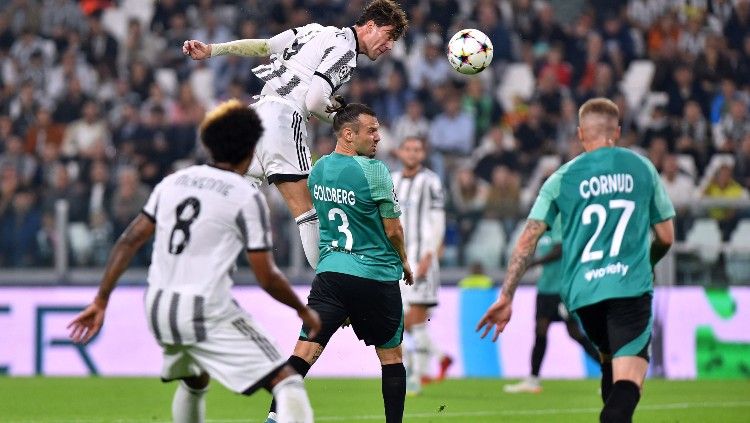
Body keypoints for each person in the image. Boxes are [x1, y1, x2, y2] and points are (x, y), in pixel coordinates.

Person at [67, 100, 322, 423]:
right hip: (203, 310)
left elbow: (130, 240)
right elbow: (266, 276)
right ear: (250, 150)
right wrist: (302, 310)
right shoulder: (245, 197)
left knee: (195, 379)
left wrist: (101, 298)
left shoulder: (175, 181)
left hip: (158, 307)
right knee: (287, 383)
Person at [477, 98, 675, 423]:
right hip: (629, 288)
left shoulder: (560, 178)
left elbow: (527, 239)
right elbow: (666, 237)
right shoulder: (641, 168)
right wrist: (649, 261)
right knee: (628, 383)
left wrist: (506, 295)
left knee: (610, 362)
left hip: (583, 294)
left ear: (582, 133)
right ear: (618, 132)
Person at [182, 0, 408, 270]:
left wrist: (211, 50)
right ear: (370, 26)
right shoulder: (346, 49)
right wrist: (349, 126)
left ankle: (190, 262)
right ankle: (330, 287)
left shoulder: (315, 30)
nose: (390, 46)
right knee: (307, 210)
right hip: (284, 119)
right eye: (389, 35)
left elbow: (265, 46)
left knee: (232, 200)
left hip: (256, 116)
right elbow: (313, 101)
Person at [265, 103, 413, 423]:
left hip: (331, 274)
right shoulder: (374, 171)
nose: (378, 137)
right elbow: (393, 229)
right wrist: (404, 261)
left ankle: (274, 418)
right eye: (371, 131)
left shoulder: (318, 170)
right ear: (348, 134)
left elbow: (320, 224)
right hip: (376, 275)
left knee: (304, 351)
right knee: (391, 357)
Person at [503, 218, 600, 394]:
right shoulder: (541, 225)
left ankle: (610, 372)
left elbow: (559, 250)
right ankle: (533, 379)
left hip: (560, 290)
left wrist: (535, 262)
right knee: (540, 332)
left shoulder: (558, 222)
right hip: (545, 289)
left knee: (575, 334)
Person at [390, 136, 452, 395]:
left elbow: (438, 221)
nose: (413, 153)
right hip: (396, 261)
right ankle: (435, 359)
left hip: (422, 260)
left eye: (418, 149)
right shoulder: (391, 180)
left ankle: (416, 375)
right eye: (409, 149)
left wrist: (429, 256)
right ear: (400, 152)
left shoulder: (431, 182)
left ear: (423, 154)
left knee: (413, 320)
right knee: (404, 322)